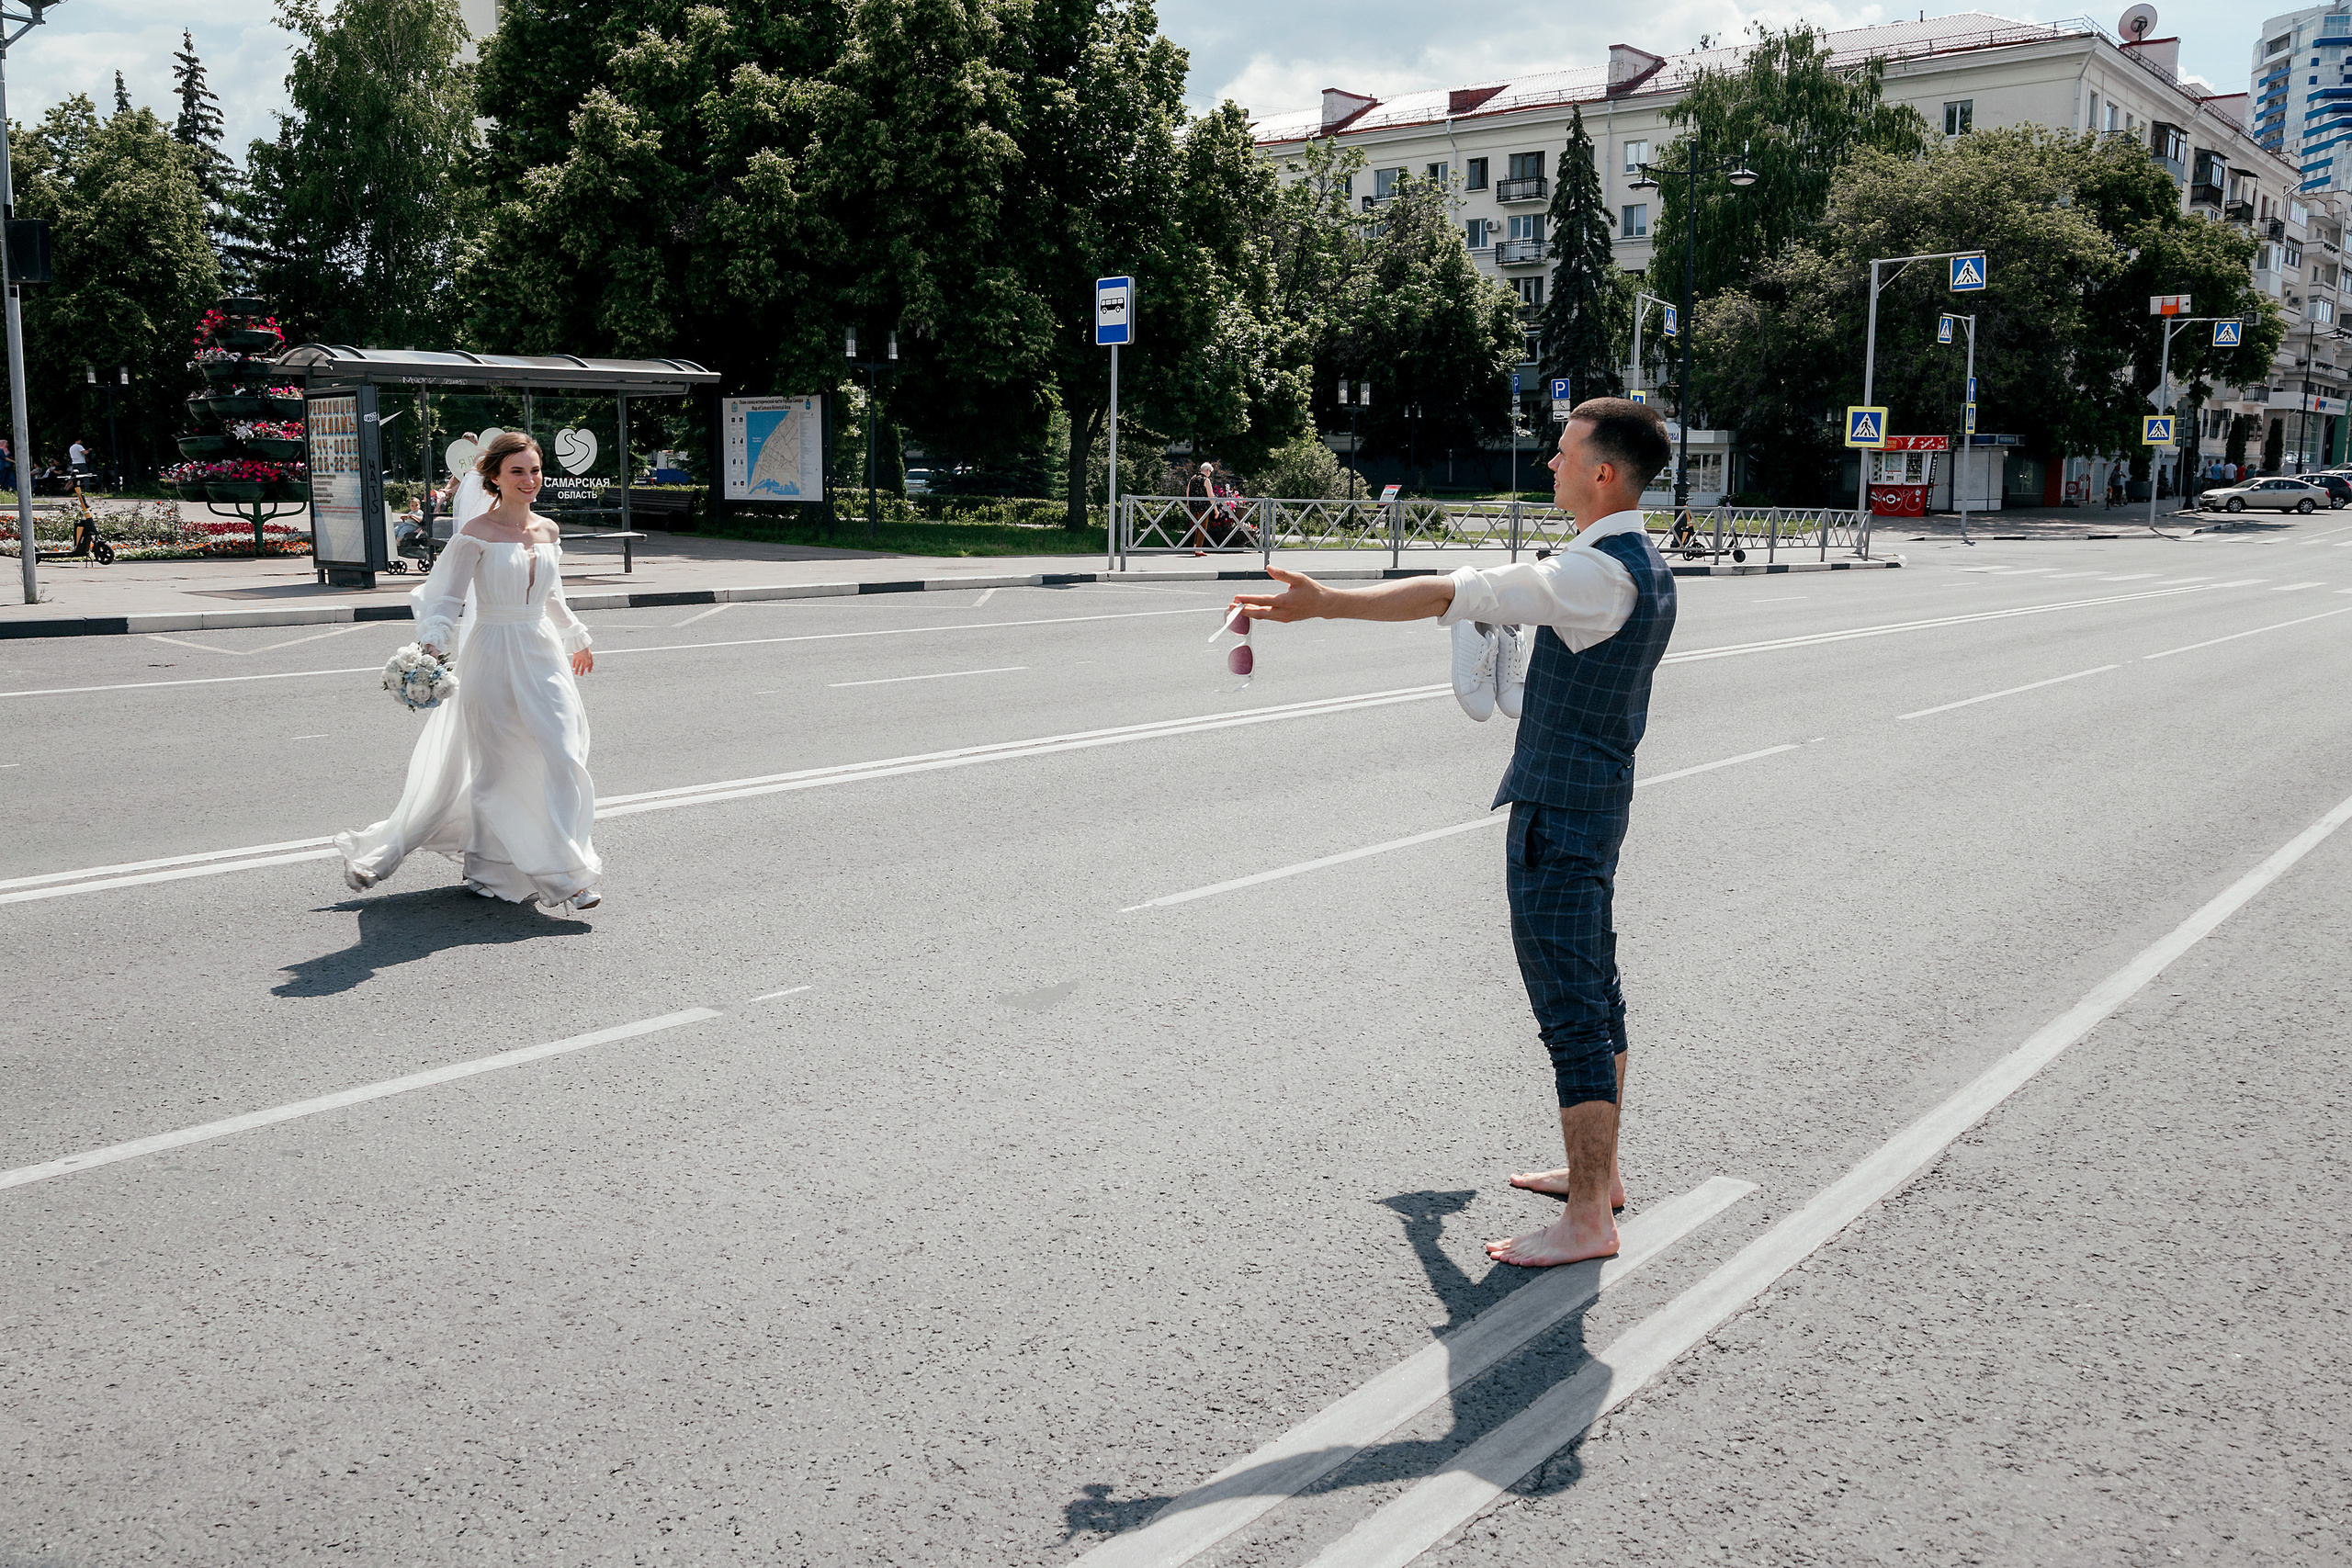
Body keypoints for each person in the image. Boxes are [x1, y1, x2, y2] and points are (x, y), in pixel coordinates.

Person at [1231, 397, 1677, 1269]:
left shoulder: (1597, 576)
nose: (1548, 463)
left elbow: (1454, 592)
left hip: (1561, 810)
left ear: (1603, 473)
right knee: (1599, 989)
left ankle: (1589, 1216)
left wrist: (1329, 603)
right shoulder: (1639, 562)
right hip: (1597, 797)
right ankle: (1602, 1176)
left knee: (1572, 1011)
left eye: (1561, 452)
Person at [335, 431, 604, 910]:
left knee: (564, 754)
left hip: (542, 653)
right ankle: (556, 877)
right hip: (493, 654)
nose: (529, 479)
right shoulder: (473, 535)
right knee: (499, 769)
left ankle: (554, 859)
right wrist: (430, 651)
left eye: (535, 470)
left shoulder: (549, 531)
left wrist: (576, 636)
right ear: (495, 478)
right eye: (517, 471)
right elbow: (445, 601)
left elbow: (552, 596)